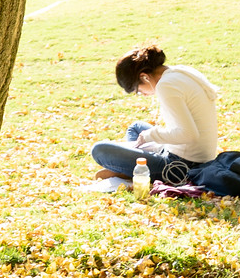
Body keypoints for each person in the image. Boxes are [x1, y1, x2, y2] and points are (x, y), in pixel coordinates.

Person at [89, 42, 219, 187]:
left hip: (182, 165)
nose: (142, 94)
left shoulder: (166, 85)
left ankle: (129, 170)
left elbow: (189, 134)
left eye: (138, 90)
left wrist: (150, 136)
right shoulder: (179, 72)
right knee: (136, 127)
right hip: (190, 153)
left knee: (100, 150)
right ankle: (131, 166)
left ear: (144, 77)